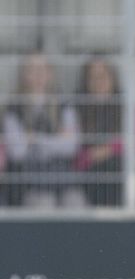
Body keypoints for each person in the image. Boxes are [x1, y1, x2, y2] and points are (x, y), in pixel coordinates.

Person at [2, 51, 80, 207]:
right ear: (24, 75)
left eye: (43, 69)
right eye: (32, 69)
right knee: (44, 203)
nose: (38, 75)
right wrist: (56, 139)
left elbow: (71, 147)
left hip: (61, 178)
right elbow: (17, 152)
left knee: (75, 202)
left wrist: (34, 139)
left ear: (50, 73)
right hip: (29, 183)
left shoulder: (65, 105)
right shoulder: (13, 109)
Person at [74, 55, 123, 206]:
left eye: (103, 75)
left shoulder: (125, 107)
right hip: (89, 176)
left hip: (118, 172)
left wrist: (107, 150)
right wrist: (91, 156)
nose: (99, 81)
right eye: (93, 77)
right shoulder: (77, 109)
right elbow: (74, 154)